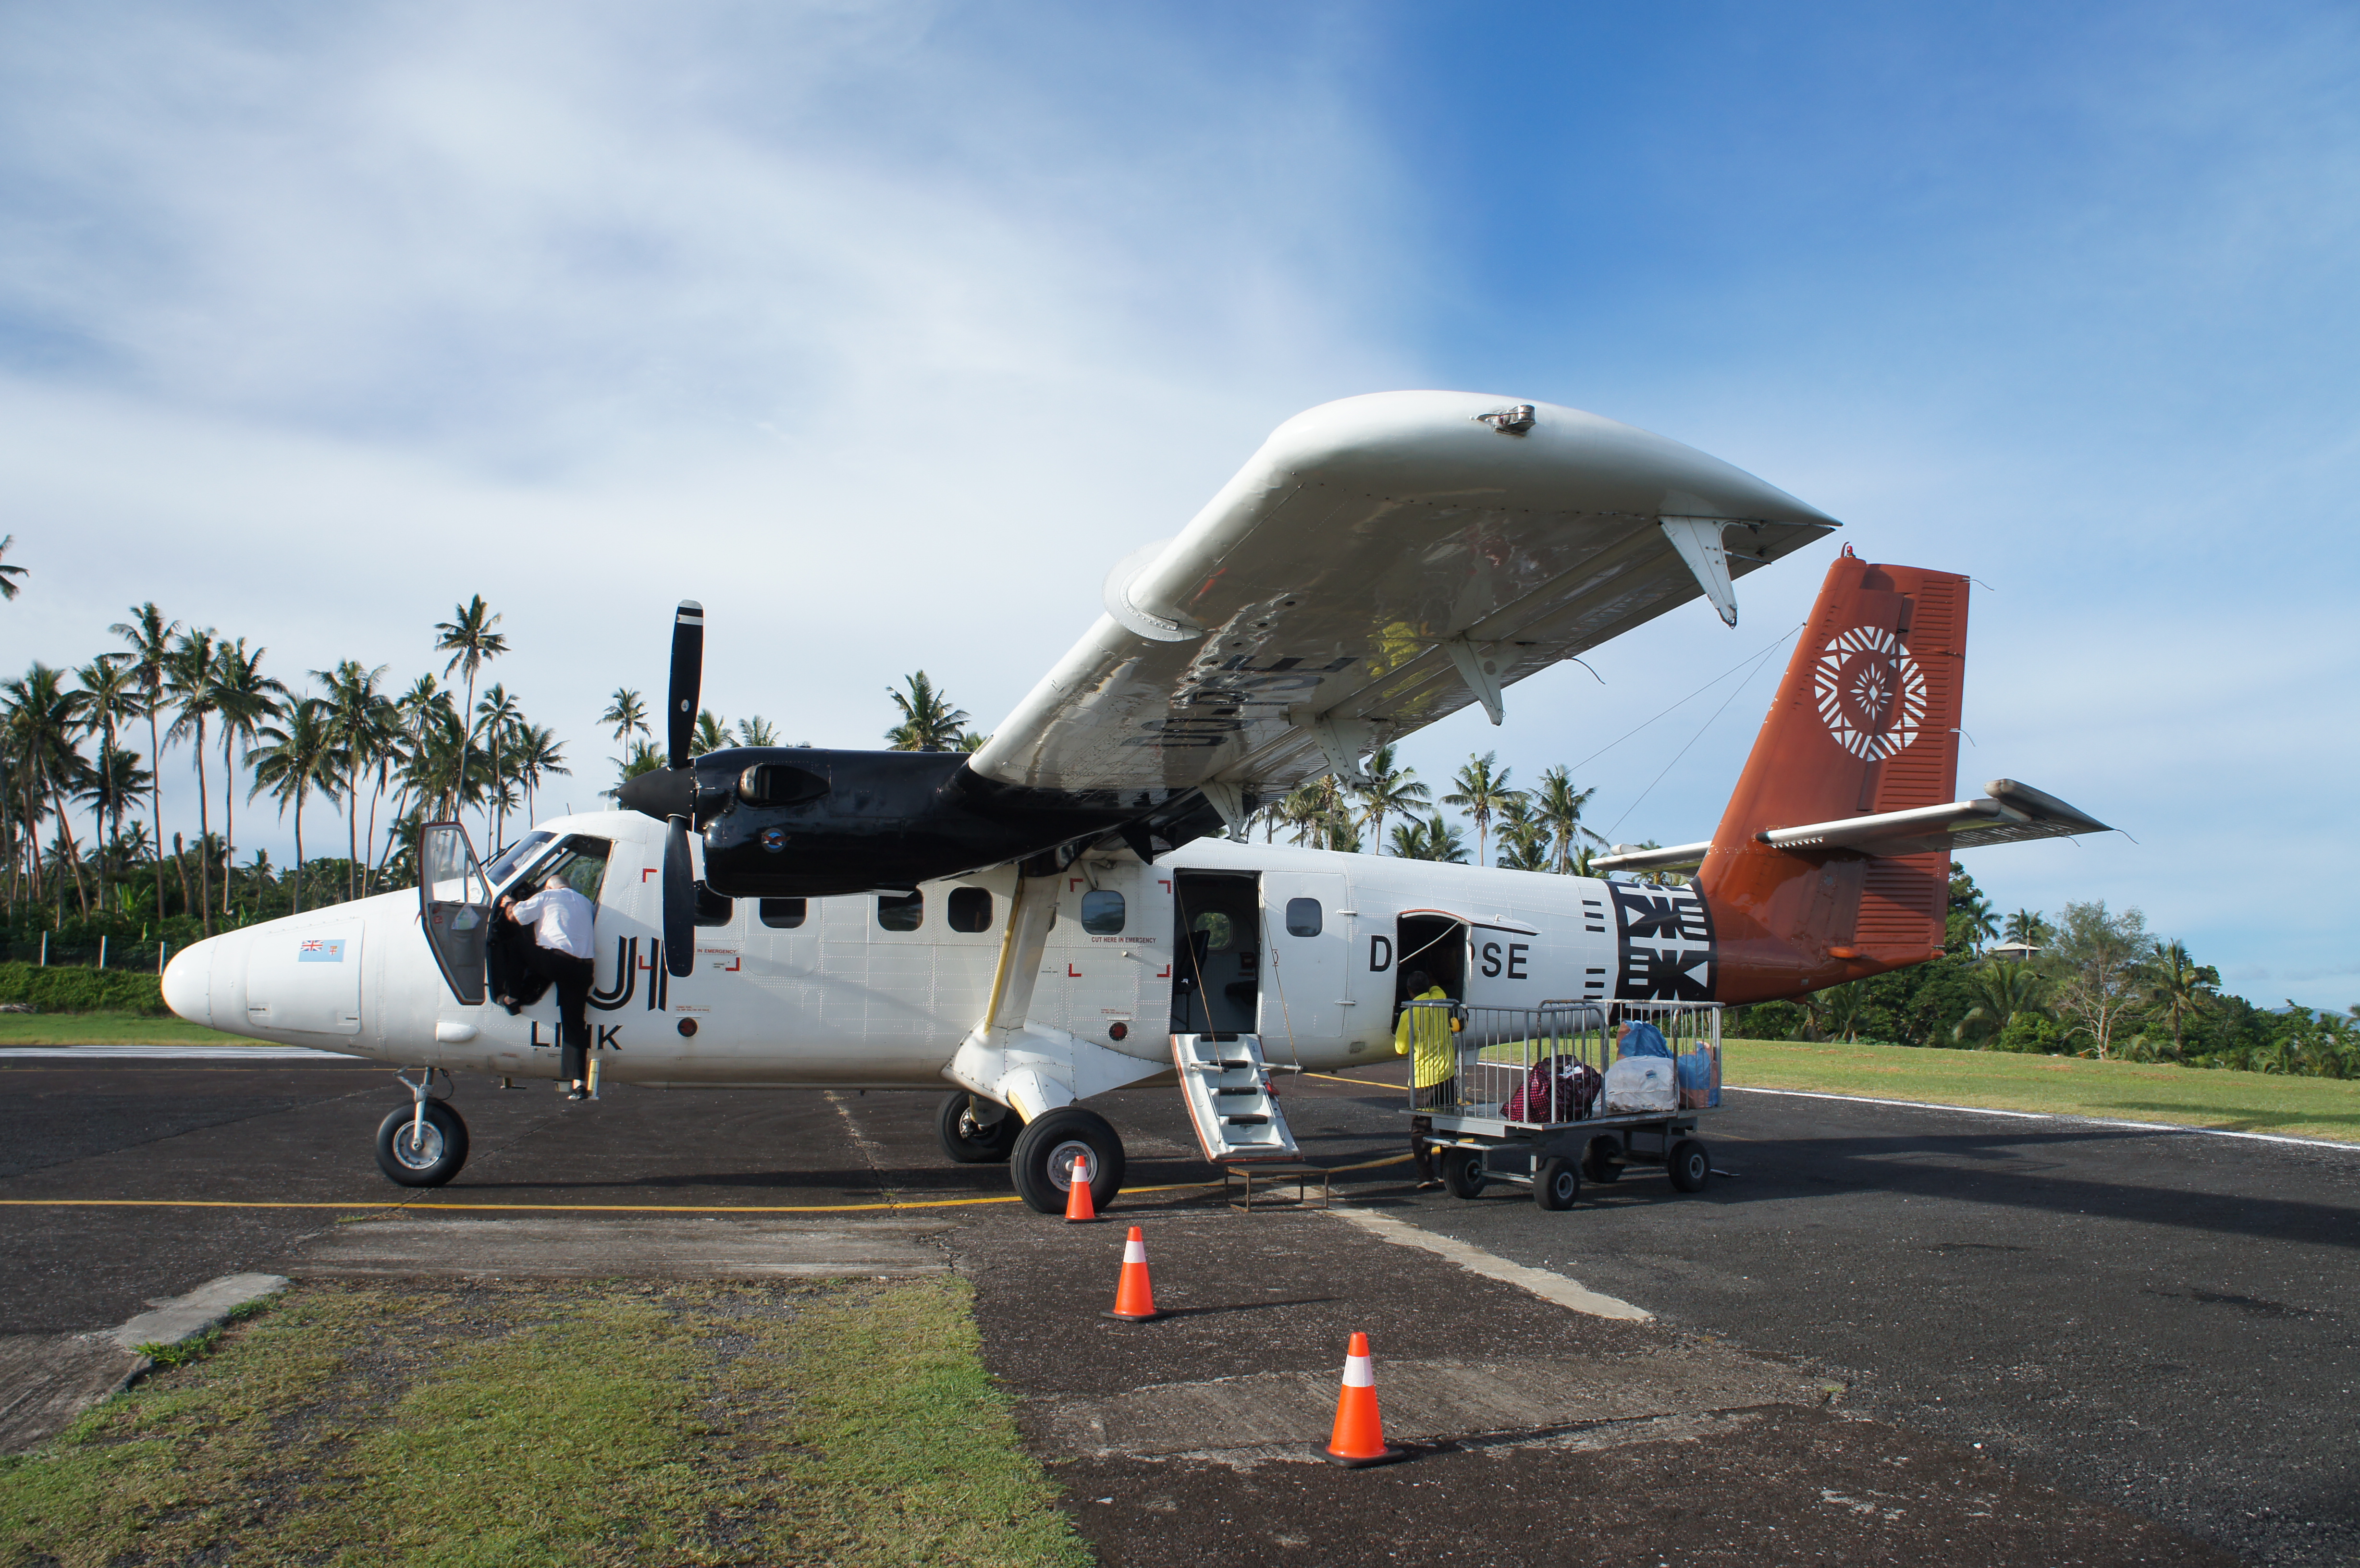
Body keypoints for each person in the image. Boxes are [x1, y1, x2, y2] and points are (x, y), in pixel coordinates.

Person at [501, 873, 599, 1100]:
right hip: (584, 970)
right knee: (575, 1024)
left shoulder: (547, 896)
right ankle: (579, 1085)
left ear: (548, 886)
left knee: (517, 945)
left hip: (558, 963)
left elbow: (514, 918)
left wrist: (509, 903)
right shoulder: (585, 902)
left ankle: (513, 997)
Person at [1393, 969, 1455, 1191]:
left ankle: (1426, 1175)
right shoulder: (1441, 999)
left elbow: (1401, 1049)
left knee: (1421, 1129)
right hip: (1447, 1074)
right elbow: (1437, 986)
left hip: (1423, 1079)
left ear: (1409, 991)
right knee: (1449, 1127)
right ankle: (1451, 1173)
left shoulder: (1410, 1013)